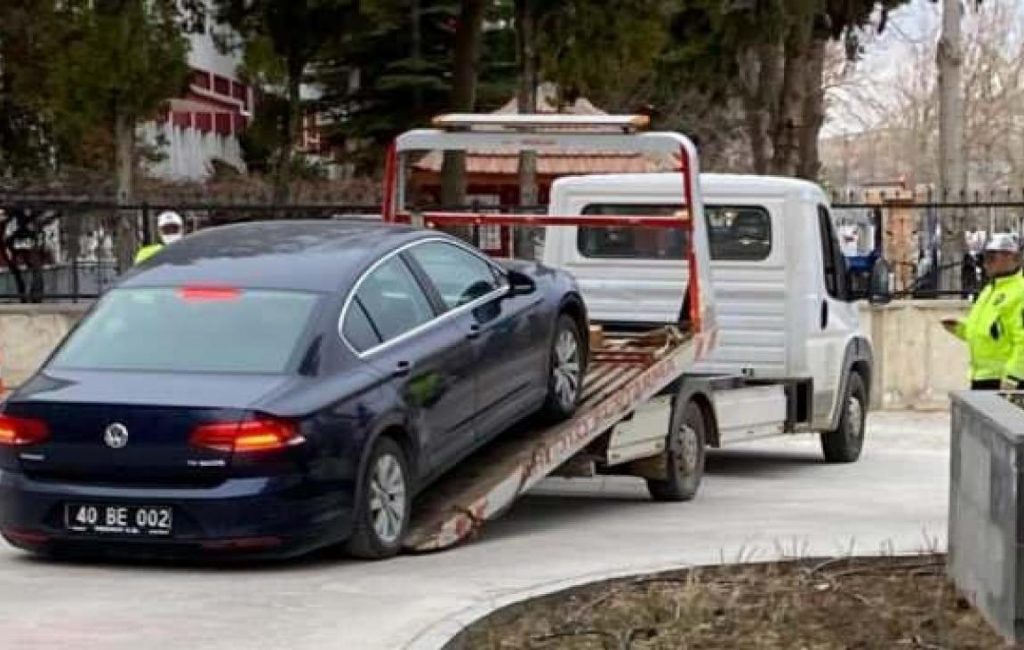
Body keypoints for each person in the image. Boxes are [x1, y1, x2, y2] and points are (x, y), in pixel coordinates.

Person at [942, 232, 1024, 390]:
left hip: (1005, 380)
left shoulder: (1020, 292)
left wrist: (1014, 376)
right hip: (982, 377)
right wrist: (961, 329)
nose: (986, 263)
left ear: (1011, 257)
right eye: (984, 258)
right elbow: (992, 331)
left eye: (992, 258)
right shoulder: (989, 290)